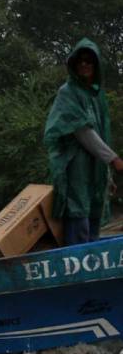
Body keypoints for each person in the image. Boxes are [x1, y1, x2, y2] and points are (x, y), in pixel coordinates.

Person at [46, 38, 123, 246]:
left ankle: (92, 270)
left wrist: (107, 175)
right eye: (80, 61)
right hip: (76, 167)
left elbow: (100, 133)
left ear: (96, 65)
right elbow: (83, 131)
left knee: (94, 215)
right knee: (78, 213)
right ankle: (76, 265)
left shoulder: (96, 95)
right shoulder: (68, 92)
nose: (84, 65)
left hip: (96, 168)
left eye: (89, 61)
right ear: (73, 64)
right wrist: (113, 159)